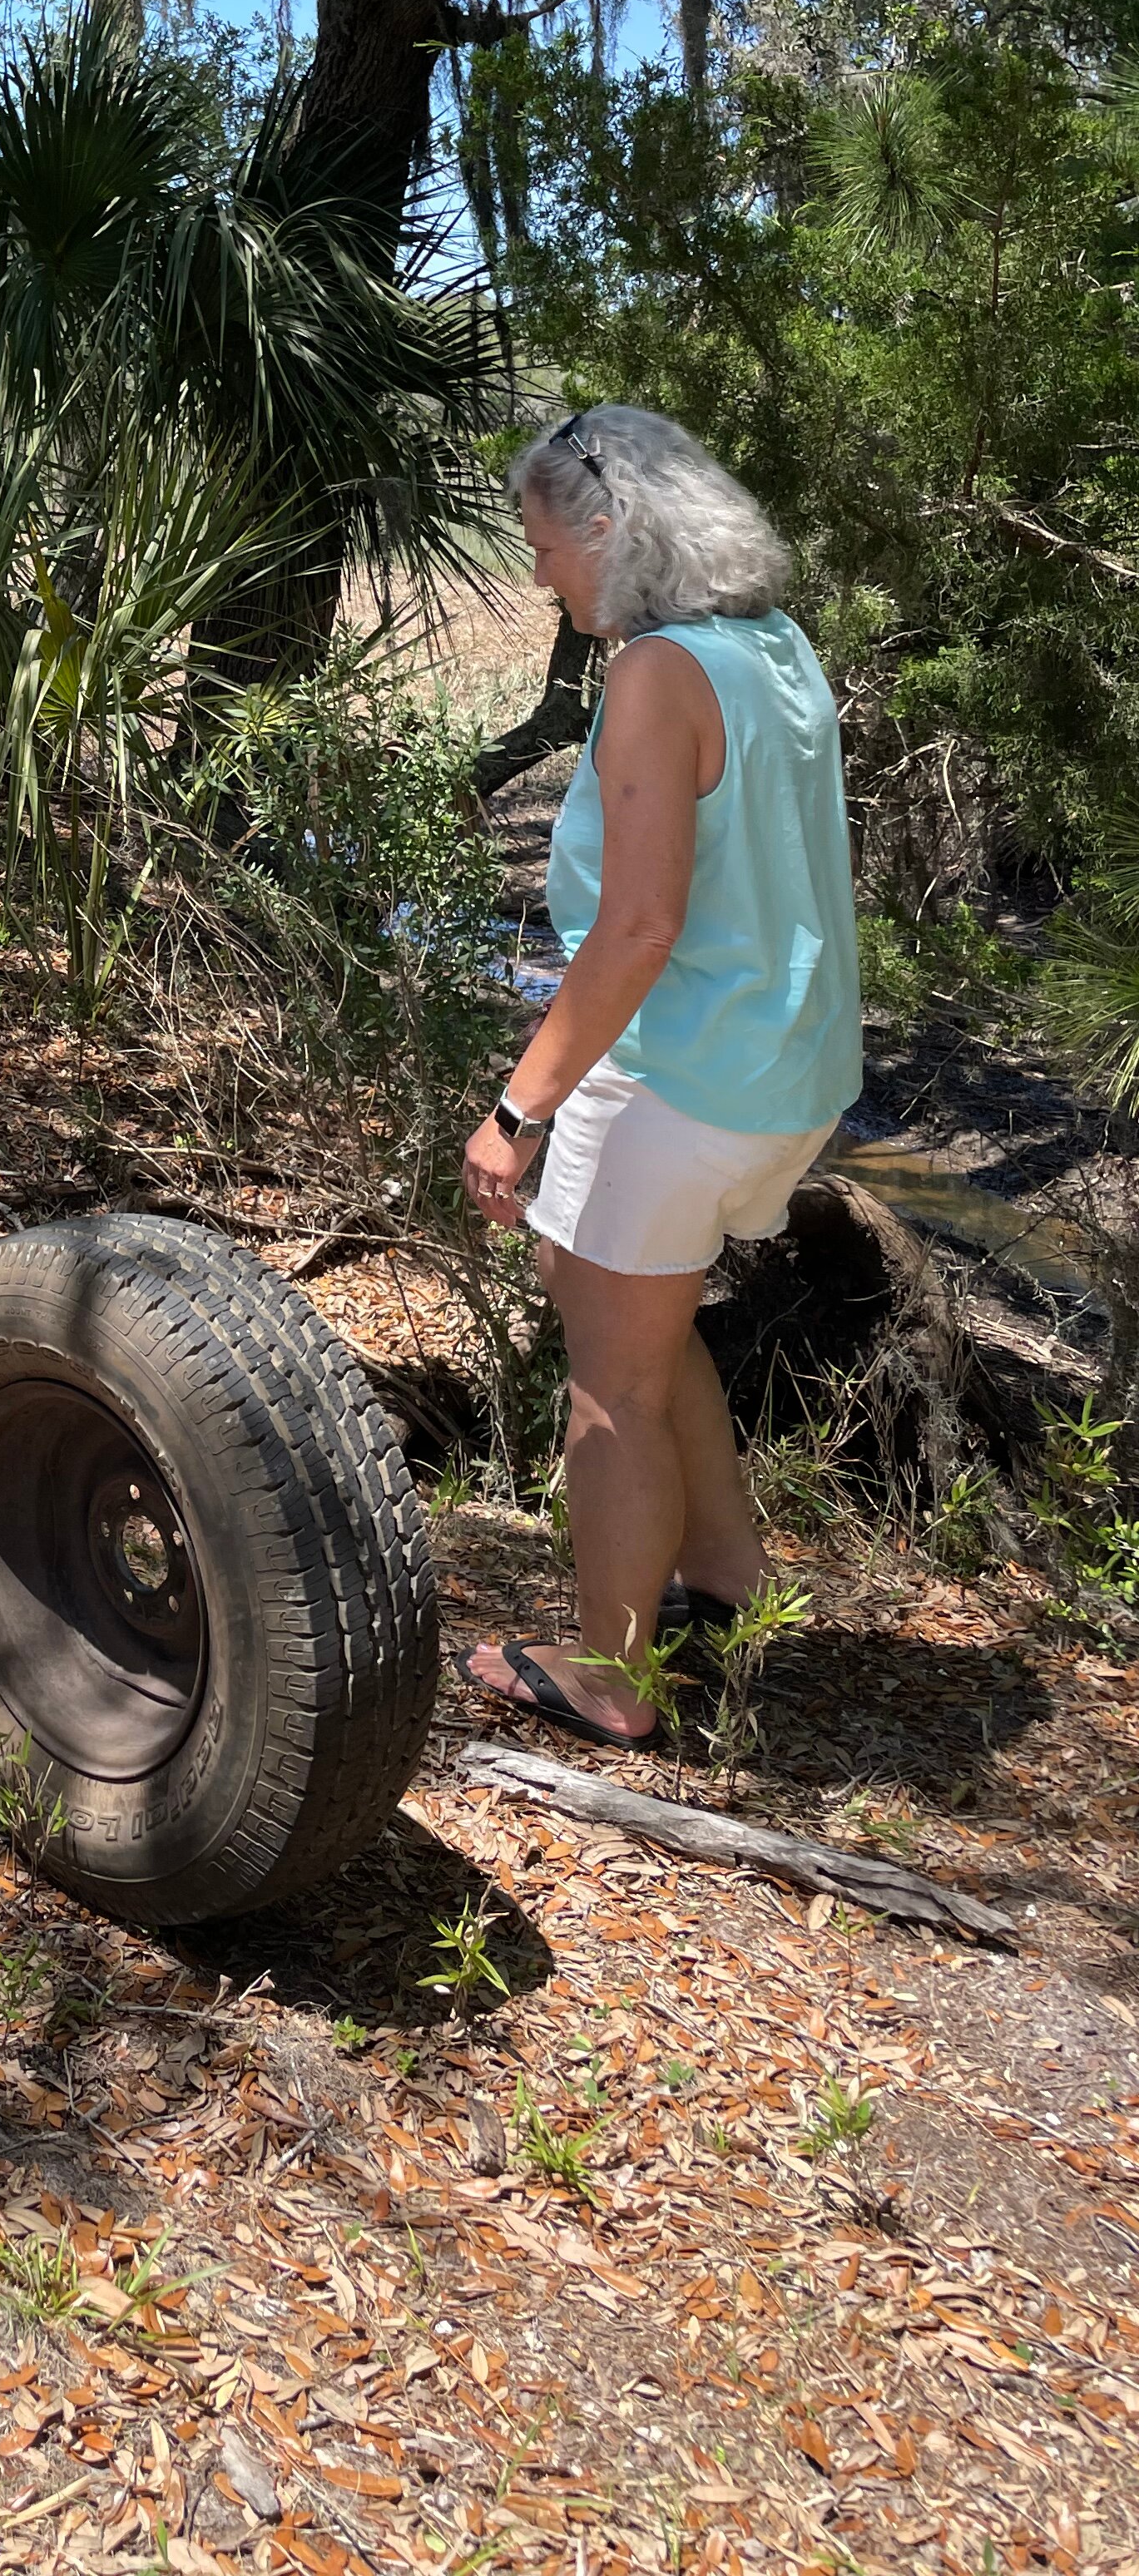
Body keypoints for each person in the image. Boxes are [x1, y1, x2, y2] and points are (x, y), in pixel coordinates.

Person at [458, 405, 862, 1746]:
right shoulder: (777, 650)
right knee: (637, 1314)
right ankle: (730, 1578)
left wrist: (522, 1106)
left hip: (677, 1078)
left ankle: (609, 1677)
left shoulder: (656, 676)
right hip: (785, 1072)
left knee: (609, 1380)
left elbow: (639, 927)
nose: (538, 577)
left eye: (543, 545)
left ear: (610, 526)